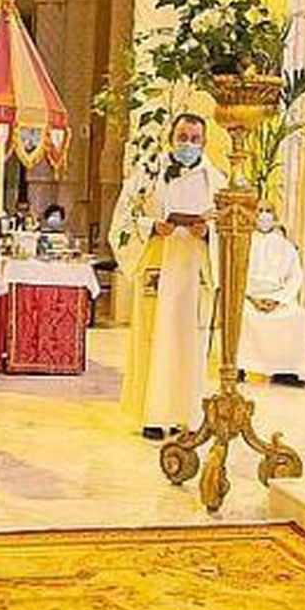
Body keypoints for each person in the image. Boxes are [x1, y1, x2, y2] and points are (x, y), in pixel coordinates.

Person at [114, 112, 222, 440]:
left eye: (194, 138)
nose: (187, 144)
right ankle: (152, 414)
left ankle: (184, 415)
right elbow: (124, 217)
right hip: (159, 266)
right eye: (182, 137)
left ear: (204, 141)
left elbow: (228, 227)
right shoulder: (148, 173)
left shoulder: (216, 181)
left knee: (190, 341)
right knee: (154, 338)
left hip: (194, 273)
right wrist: (152, 226)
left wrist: (207, 233)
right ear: (170, 138)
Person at [241, 204, 305, 387]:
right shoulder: (243, 242)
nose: (264, 216)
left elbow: (296, 277)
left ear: (275, 216)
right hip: (249, 297)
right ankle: (241, 366)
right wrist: (252, 298)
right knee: (243, 316)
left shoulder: (285, 246)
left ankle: (286, 371)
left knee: (297, 316)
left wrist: (278, 299)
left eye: (268, 211)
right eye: (259, 211)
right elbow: (237, 273)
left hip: (278, 298)